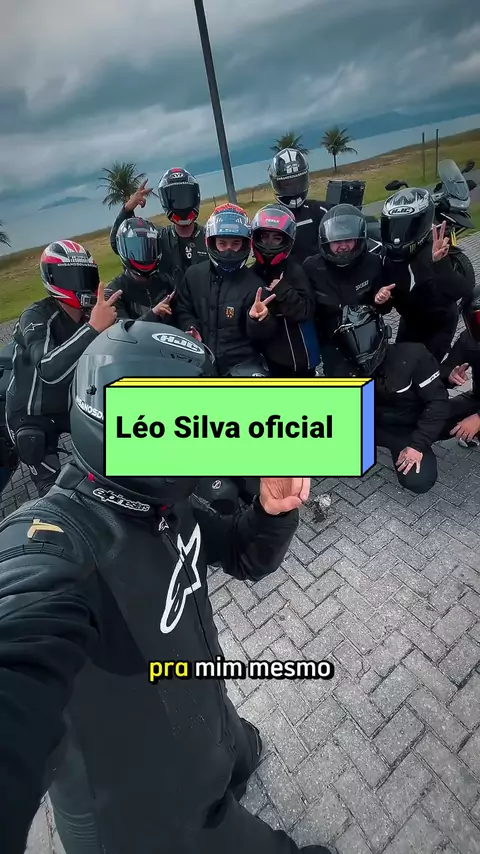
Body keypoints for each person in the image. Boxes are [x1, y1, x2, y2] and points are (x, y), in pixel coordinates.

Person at [0, 319, 331, 854]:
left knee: (242, 751)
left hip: (202, 703)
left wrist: (272, 512)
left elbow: (244, 555)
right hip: (148, 814)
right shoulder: (56, 543)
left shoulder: (159, 503)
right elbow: (19, 646)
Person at [5, 241, 121, 496]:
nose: (80, 284)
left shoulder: (90, 313)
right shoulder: (35, 316)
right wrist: (93, 329)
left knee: (108, 459)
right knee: (53, 494)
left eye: (85, 276)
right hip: (31, 416)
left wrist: (151, 316)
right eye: (71, 277)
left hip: (67, 405)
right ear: (52, 279)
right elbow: (48, 369)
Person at [335, 305, 450, 494]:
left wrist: (417, 445)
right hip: (374, 426)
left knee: (419, 480)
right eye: (350, 341)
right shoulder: (343, 369)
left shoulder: (413, 355)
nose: (359, 347)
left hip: (409, 429)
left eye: (363, 337)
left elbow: (438, 402)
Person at [175, 205, 271, 377]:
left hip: (241, 367)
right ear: (212, 243)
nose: (228, 250)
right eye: (222, 243)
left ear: (245, 244)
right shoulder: (194, 275)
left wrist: (257, 320)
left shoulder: (255, 286)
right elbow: (183, 309)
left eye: (235, 244)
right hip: (201, 362)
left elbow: (263, 337)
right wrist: (190, 327)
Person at [381, 188, 474, 363]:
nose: (398, 236)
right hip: (409, 321)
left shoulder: (434, 251)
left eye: (406, 227)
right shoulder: (387, 257)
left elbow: (462, 290)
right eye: (393, 226)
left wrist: (440, 264)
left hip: (438, 325)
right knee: (398, 365)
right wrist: (381, 299)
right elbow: (386, 301)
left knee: (426, 369)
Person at [303, 205, 395, 377]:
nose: (343, 246)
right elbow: (304, 307)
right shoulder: (311, 267)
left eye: (349, 240)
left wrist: (381, 300)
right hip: (332, 345)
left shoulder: (373, 262)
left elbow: (385, 307)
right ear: (326, 242)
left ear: (358, 240)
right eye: (337, 242)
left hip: (369, 338)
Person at [248, 203, 319, 377]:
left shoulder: (294, 271)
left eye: (277, 238)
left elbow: (306, 311)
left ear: (287, 241)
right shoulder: (251, 275)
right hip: (271, 361)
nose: (269, 244)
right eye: (264, 237)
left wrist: (282, 290)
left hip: (301, 360)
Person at [109, 169, 208, 286]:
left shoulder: (209, 237)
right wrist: (127, 209)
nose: (181, 204)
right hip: (167, 297)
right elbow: (118, 244)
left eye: (184, 197)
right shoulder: (158, 238)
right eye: (175, 199)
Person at [104, 217, 175, 322]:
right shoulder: (114, 293)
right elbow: (120, 329)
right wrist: (153, 314)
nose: (144, 256)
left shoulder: (167, 281)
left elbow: (183, 314)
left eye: (148, 249)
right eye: (136, 250)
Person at [268, 148, 332, 264]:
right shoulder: (269, 219)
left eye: (297, 182)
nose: (293, 189)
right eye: (287, 184)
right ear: (276, 184)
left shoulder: (322, 211)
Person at [440, 283, 480, 447]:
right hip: (477, 398)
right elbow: (446, 368)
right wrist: (449, 376)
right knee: (435, 419)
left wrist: (479, 418)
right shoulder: (468, 340)